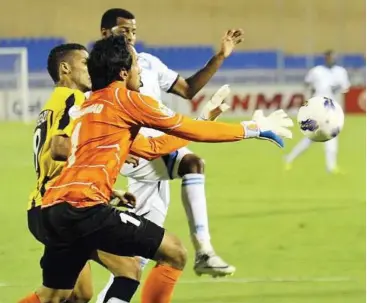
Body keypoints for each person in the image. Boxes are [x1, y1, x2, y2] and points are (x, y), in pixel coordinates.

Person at [18, 35, 293, 303]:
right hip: (83, 208)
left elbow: (153, 147)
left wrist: (204, 118)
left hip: (52, 210)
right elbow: (191, 131)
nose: (142, 72)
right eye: (137, 65)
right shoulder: (126, 100)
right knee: (173, 253)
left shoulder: (91, 105)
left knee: (57, 296)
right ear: (124, 72)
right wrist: (253, 128)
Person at [98, 8, 243, 282]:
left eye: (133, 31)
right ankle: (204, 251)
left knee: (135, 263)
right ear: (105, 33)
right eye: (123, 31)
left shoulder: (148, 62)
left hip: (157, 150)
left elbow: (188, 89)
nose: (130, 36)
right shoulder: (99, 69)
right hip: (138, 149)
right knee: (192, 163)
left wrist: (220, 56)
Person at [284, 50, 350, 173]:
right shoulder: (316, 71)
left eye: (333, 57)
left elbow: (346, 87)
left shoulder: (341, 72)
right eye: (329, 57)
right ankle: (330, 167)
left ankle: (290, 158)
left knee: (316, 137)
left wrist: (338, 88)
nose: (331, 59)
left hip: (332, 108)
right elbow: (307, 83)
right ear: (325, 58)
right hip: (319, 106)